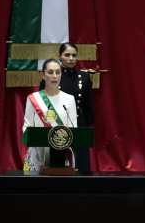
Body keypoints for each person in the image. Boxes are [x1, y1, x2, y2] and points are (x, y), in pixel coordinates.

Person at [40, 42, 94, 171]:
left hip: (78, 123)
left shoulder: (85, 77)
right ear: (59, 56)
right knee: (58, 163)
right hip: (57, 123)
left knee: (81, 164)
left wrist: (88, 124)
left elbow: (88, 105)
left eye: (74, 55)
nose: (71, 58)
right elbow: (42, 103)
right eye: (67, 55)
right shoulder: (51, 77)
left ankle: (82, 189)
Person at [23, 59, 78, 174]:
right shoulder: (33, 98)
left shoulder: (69, 99)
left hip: (61, 154)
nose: (54, 76)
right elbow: (26, 127)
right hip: (37, 153)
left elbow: (73, 128)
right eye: (50, 72)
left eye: (58, 72)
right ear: (42, 75)